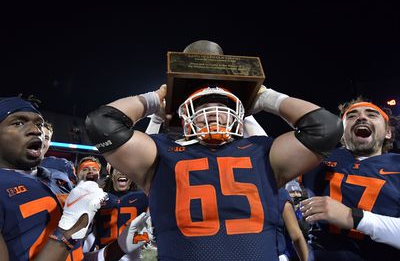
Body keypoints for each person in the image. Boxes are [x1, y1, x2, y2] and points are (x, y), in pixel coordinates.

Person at [85, 40, 343, 260]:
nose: (213, 114)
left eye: (222, 107)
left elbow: (326, 128)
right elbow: (101, 124)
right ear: (184, 117)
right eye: (202, 108)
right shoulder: (161, 151)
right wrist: (155, 99)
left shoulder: (262, 150)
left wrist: (267, 98)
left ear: (240, 114)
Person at [0, 96, 108, 261]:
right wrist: (67, 233)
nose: (37, 131)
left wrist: (120, 247)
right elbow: (68, 235)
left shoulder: (58, 177)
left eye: (39, 124)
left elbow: (75, 256)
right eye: (18, 123)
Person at [300, 97, 400, 260]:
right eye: (352, 115)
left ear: (388, 132)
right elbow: (263, 160)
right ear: (341, 134)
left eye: (372, 115)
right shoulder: (318, 158)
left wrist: (352, 217)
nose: (361, 117)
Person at [90, 167, 150, 261]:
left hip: (131, 256)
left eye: (126, 170)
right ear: (111, 174)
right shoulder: (99, 197)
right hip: (104, 254)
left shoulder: (143, 198)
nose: (122, 173)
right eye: (118, 169)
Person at [277, 188, 309, 261]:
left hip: (304, 249)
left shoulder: (304, 209)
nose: (296, 194)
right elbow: (296, 235)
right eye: (292, 192)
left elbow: (305, 230)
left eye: (298, 192)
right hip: (288, 252)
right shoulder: (283, 202)